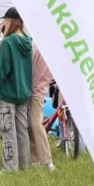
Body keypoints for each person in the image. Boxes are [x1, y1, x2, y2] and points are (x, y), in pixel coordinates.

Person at [0, 7, 33, 173]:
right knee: (22, 131)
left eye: (5, 20)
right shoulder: (28, 40)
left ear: (10, 21)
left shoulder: (8, 42)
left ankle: (10, 168)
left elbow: (2, 72)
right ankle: (24, 165)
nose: (3, 23)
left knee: (8, 131)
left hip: (8, 94)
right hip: (24, 93)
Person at [28, 41, 55, 170]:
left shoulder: (38, 47)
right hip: (34, 90)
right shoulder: (39, 47)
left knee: (35, 124)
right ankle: (35, 160)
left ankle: (47, 160)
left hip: (37, 92)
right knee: (30, 125)